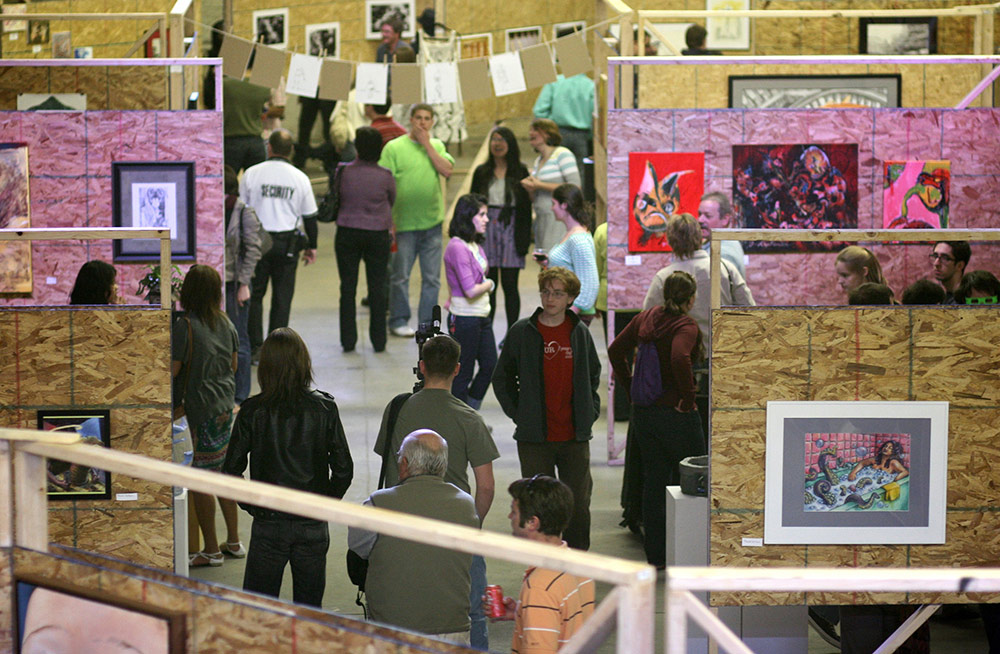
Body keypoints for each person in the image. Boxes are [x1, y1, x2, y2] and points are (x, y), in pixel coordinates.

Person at [374, 334, 499, 649]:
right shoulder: (469, 418)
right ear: (458, 369)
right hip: (454, 527)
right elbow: (486, 486)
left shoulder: (397, 408)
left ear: (421, 367)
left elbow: (387, 461)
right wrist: (473, 524)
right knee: (472, 611)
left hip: (400, 528)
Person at [223, 327, 353, 607]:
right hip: (311, 522)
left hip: (268, 522)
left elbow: (230, 472)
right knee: (309, 610)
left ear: (266, 367)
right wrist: (322, 505)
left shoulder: (252, 411)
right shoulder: (325, 409)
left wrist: (255, 505)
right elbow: (343, 469)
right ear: (304, 364)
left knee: (260, 611)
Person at [493, 267, 601, 551]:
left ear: (570, 298)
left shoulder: (579, 333)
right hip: (535, 439)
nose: (550, 298)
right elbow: (502, 377)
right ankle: (540, 561)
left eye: (558, 293)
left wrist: (590, 411)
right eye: (546, 292)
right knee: (535, 507)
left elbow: (593, 375)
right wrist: (520, 412)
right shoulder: (522, 332)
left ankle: (577, 561)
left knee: (577, 504)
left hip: (574, 437)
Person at [609, 271, 705, 568]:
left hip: (645, 415)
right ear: (691, 299)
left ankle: (657, 555)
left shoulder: (645, 318)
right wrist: (686, 399)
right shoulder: (685, 326)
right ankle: (691, 550)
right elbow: (679, 357)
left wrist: (630, 386)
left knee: (654, 482)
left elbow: (615, 351)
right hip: (675, 416)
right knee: (695, 481)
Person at [349, 431, 479, 643]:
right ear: (442, 465)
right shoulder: (466, 504)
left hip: (391, 630)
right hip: (452, 627)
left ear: (405, 464)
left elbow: (358, 548)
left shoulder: (377, 504)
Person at [171, 265, 240, 568]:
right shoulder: (226, 323)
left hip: (200, 412)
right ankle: (234, 541)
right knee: (223, 475)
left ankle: (211, 550)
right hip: (225, 409)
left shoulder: (185, 326)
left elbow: (172, 371)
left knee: (200, 480)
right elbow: (235, 365)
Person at [488, 475, 595, 654]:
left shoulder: (540, 587)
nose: (509, 516)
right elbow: (570, 623)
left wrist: (535, 605)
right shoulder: (580, 565)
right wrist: (523, 613)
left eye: (514, 512)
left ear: (532, 522)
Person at [240, 129, 319, 358]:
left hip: (257, 243)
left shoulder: (251, 174)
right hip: (287, 245)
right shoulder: (300, 178)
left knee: (254, 296)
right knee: (282, 298)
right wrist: (311, 246)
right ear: (291, 150)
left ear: (269, 148)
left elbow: (241, 210)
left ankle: (255, 346)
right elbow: (310, 216)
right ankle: (277, 350)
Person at [379, 104, 455, 337]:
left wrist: (427, 145)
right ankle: (399, 319)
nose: (422, 123)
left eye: (427, 119)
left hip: (431, 223)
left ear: (432, 123)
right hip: (403, 225)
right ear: (410, 120)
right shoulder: (394, 147)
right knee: (400, 275)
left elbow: (447, 170)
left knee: (432, 278)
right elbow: (384, 182)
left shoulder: (438, 146)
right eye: (418, 118)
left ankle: (427, 324)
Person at [643, 213, 754, 351]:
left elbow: (647, 324)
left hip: (681, 358)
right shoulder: (725, 268)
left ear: (670, 241)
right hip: (724, 353)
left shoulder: (663, 278)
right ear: (700, 237)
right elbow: (750, 309)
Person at [334, 126, 396, 353]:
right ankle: (378, 341)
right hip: (377, 234)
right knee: (377, 287)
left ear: (357, 147)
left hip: (347, 232)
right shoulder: (385, 175)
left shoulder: (343, 172)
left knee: (347, 287)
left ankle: (348, 341)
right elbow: (392, 200)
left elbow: (337, 196)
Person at [470, 126, 531, 331]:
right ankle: (486, 331)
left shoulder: (520, 171)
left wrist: (525, 238)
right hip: (487, 229)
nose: (498, 144)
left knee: (510, 285)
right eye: (494, 139)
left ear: (511, 145)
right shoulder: (482, 171)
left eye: (502, 140)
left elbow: (525, 208)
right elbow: (472, 203)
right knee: (489, 284)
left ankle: (512, 334)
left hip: (511, 229)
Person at [444, 194, 497, 408]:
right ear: (467, 217)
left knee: (490, 365)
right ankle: (461, 420)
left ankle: (470, 413)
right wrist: (490, 284)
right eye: (481, 214)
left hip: (481, 316)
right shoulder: (457, 247)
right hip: (465, 318)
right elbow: (470, 290)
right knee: (463, 374)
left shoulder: (474, 244)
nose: (486, 219)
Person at [223, 165, 263, 404]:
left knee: (240, 340)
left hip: (234, 284)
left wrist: (244, 283)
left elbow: (253, 249)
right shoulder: (209, 209)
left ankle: (241, 396)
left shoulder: (242, 212)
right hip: (214, 282)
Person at [535, 184, 599, 323]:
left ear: (564, 205)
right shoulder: (570, 234)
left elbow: (590, 284)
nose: (552, 208)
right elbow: (570, 265)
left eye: (554, 204)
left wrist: (569, 315)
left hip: (574, 313)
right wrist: (548, 262)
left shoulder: (578, 240)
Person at [521, 119, 581, 252]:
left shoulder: (563, 154)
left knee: (554, 257)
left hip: (558, 219)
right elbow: (536, 194)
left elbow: (575, 186)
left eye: (536, 130)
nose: (531, 133)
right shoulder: (538, 161)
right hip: (541, 217)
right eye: (531, 130)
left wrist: (539, 184)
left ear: (548, 134)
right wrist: (530, 188)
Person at [532, 72, 595, 194]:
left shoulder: (555, 82)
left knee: (553, 169)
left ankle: (555, 202)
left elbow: (539, 111)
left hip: (558, 133)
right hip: (582, 136)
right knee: (578, 176)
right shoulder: (590, 85)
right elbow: (595, 117)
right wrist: (591, 137)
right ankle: (575, 206)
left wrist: (549, 128)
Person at [698, 191, 745, 279]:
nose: (700, 220)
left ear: (725, 219)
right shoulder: (714, 242)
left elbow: (720, 290)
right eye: (699, 214)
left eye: (707, 216)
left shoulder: (724, 253)